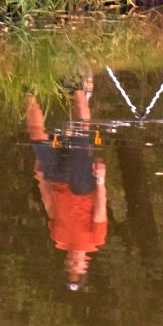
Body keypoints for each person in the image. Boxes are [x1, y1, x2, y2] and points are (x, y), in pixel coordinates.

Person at [25, 87, 107, 290]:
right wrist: (100, 181)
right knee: (81, 131)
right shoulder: (95, 241)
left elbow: (50, 208)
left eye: (70, 267)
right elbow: (100, 210)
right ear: (85, 266)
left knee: (37, 137)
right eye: (77, 268)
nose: (73, 264)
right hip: (81, 185)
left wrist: (40, 180)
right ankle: (77, 87)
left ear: (66, 263)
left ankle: (28, 90)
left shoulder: (57, 239)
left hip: (56, 182)